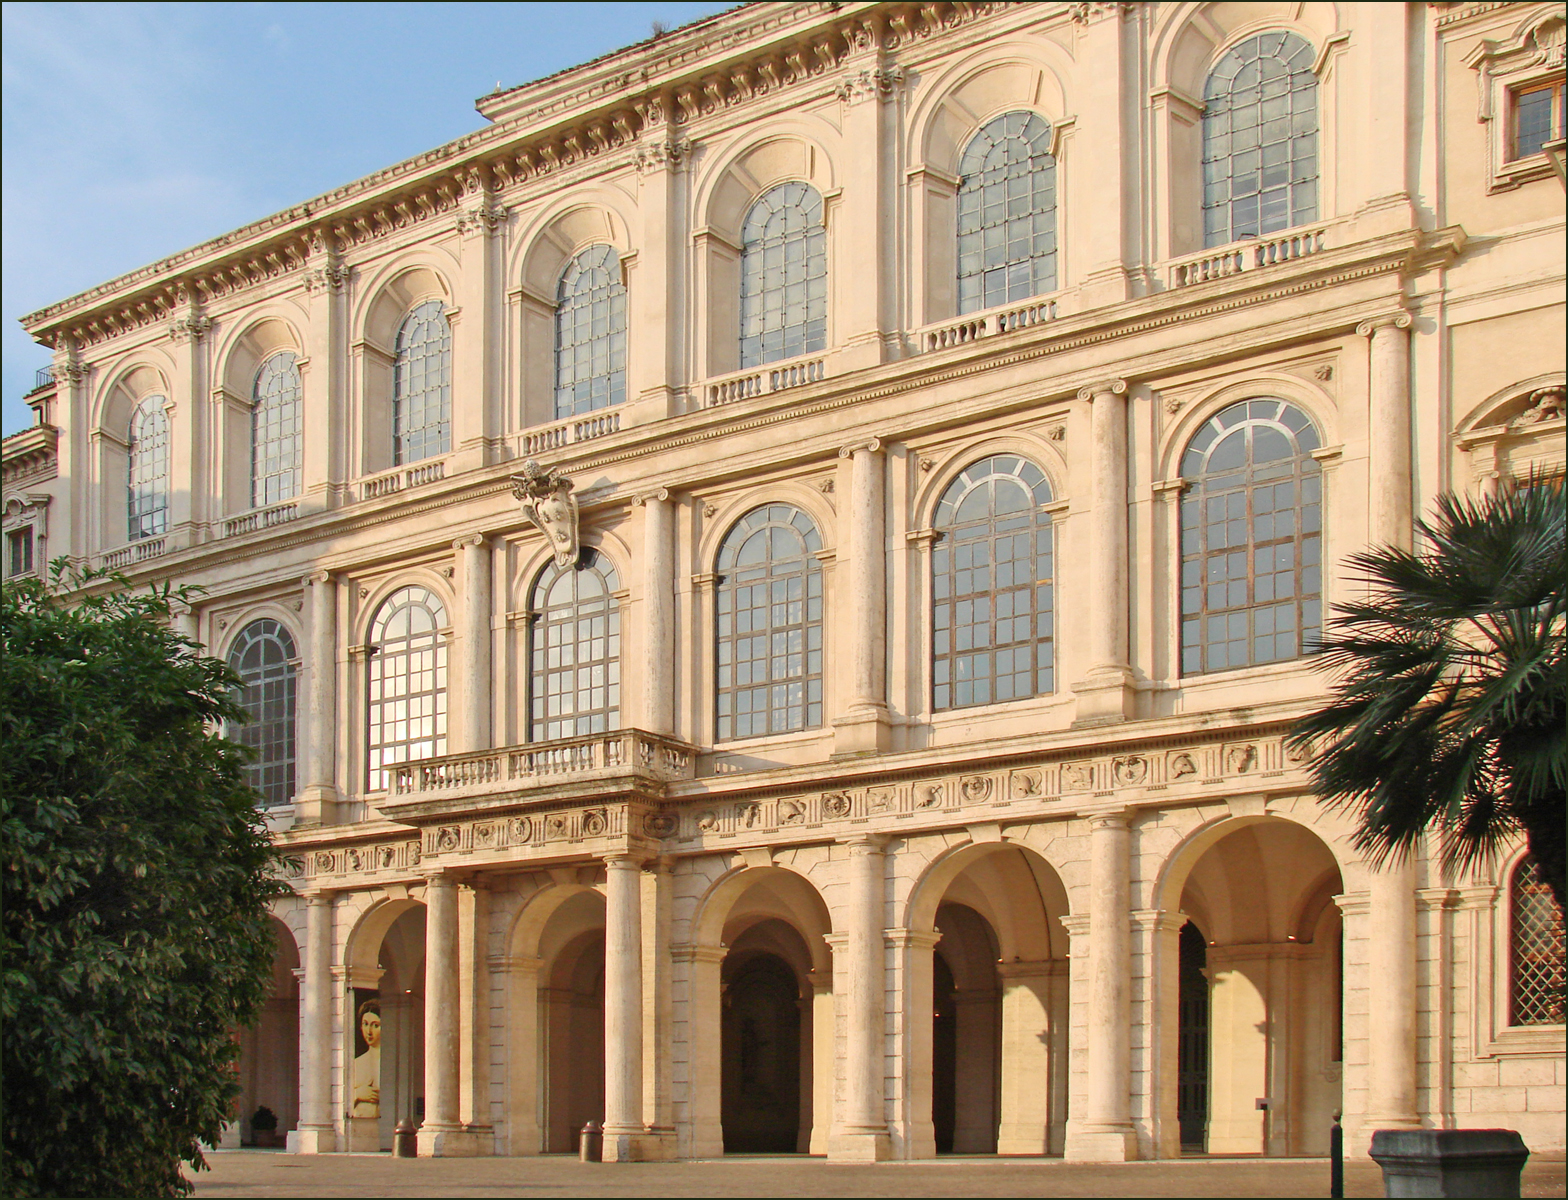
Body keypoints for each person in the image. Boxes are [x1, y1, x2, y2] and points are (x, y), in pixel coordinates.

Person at [351, 997, 381, 1119]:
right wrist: (357, 1094)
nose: (369, 1031)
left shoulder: (391, 1063)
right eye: (365, 1024)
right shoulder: (356, 1063)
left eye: (375, 1025)